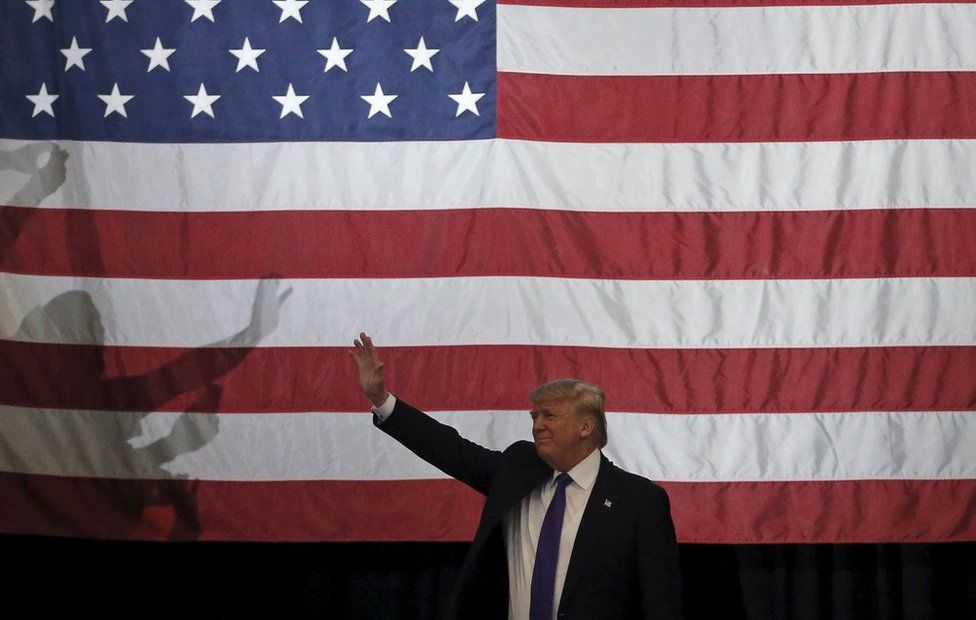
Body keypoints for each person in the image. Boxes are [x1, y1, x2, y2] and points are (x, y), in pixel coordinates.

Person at [349, 333, 683, 619]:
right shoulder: (518, 468)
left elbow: (661, 603)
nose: (537, 425)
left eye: (549, 416)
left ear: (586, 426)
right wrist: (382, 400)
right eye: (534, 416)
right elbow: (450, 449)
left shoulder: (640, 500)